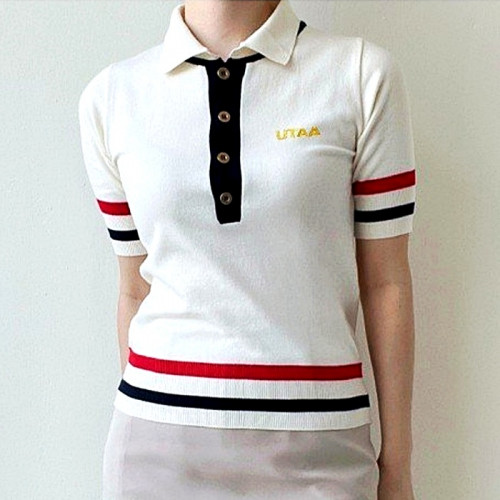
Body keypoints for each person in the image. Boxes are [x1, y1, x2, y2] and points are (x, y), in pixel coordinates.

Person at [78, 0, 417, 498]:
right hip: (156, 446)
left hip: (320, 446)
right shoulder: (111, 96)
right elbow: (134, 288)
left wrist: (398, 467)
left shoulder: (360, 75)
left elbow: (386, 284)